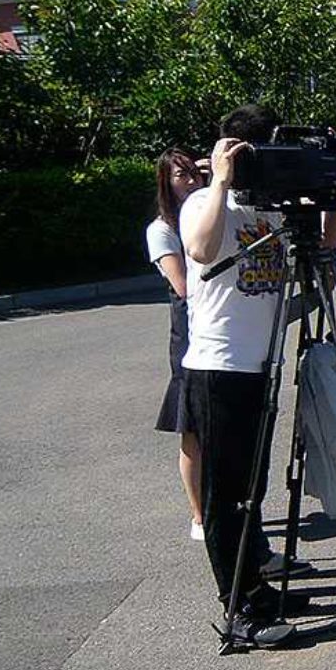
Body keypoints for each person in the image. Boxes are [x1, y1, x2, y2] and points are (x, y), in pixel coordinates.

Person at [179, 104, 336, 647]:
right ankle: (239, 607)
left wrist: (332, 194)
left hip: (260, 368)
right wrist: (221, 181)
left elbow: (325, 248)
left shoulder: (272, 211)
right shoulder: (205, 204)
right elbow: (201, 251)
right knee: (225, 494)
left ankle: (256, 586)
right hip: (218, 366)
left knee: (253, 488)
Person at [146, 147, 206, 541]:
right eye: (180, 175)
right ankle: (199, 515)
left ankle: (222, 507)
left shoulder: (208, 212)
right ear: (165, 183)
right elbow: (182, 286)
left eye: (194, 173)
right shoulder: (162, 229)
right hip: (189, 335)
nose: (189, 181)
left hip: (218, 329)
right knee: (193, 430)